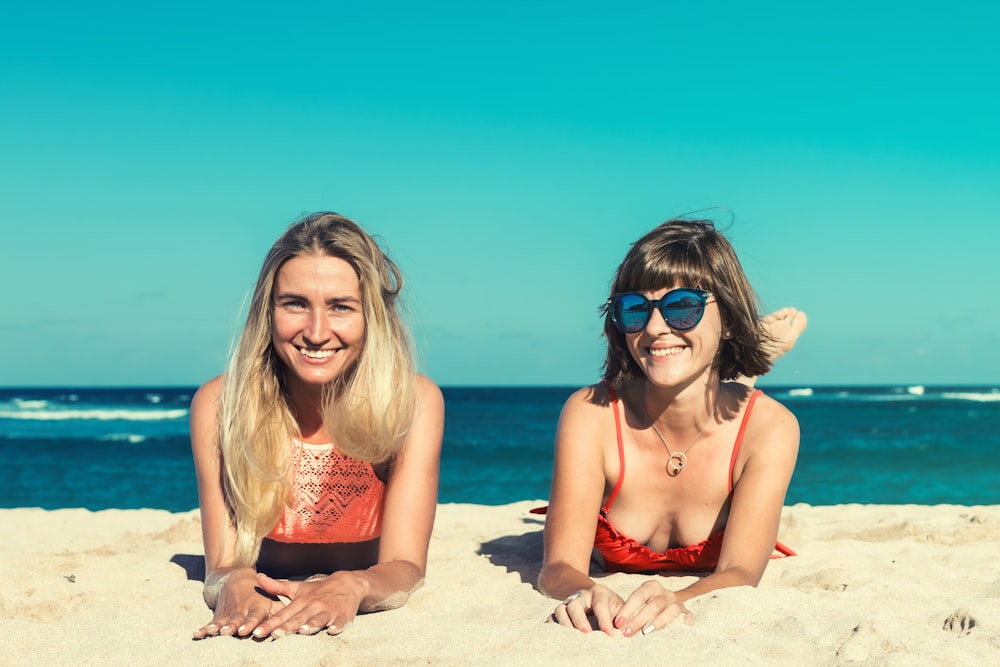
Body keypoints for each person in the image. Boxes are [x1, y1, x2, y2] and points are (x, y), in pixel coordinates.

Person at [537, 217, 804, 637]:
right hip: (666, 396)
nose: (655, 328)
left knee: (719, 395)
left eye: (683, 307)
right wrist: (587, 591)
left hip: (732, 414)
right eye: (635, 309)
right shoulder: (591, 413)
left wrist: (674, 600)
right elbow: (558, 568)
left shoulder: (771, 429)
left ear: (730, 316)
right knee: (692, 376)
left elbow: (740, 571)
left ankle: (756, 353)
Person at [190, 212, 444, 640]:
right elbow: (223, 564)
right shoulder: (219, 404)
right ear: (267, 311)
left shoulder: (412, 402)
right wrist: (234, 585)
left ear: (372, 318)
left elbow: (405, 566)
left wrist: (355, 584)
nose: (316, 332)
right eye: (295, 304)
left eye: (341, 307)